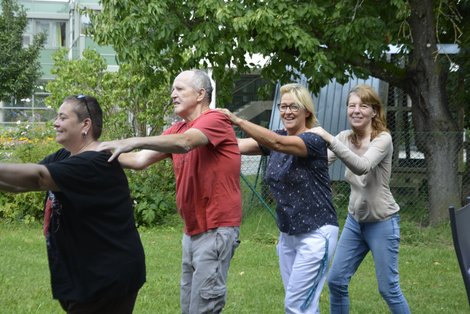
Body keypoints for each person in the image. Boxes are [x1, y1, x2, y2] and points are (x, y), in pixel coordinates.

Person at [97, 69, 242, 314]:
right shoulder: (176, 130)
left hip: (216, 227)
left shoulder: (215, 119)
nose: (172, 94)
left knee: (204, 307)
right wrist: (94, 155)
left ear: (200, 94)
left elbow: (186, 143)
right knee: (189, 306)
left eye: (179, 89)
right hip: (192, 230)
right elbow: (140, 160)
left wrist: (134, 139)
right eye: (173, 89)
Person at [0, 95, 146, 313]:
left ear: (85, 124)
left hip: (108, 276)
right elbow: (21, 183)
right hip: (86, 272)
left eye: (62, 117)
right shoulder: (66, 155)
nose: (55, 123)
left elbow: (38, 177)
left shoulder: (95, 162)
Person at [218, 83, 339, 314]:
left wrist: (239, 121)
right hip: (288, 235)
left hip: (316, 233)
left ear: (307, 112)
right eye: (283, 106)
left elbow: (277, 143)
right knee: (303, 304)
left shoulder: (313, 140)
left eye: (294, 106)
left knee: (296, 306)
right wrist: (204, 135)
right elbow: (237, 145)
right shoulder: (280, 136)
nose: (287, 112)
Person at [310, 84, 410, 313]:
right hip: (355, 223)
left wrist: (327, 137)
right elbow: (320, 163)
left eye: (363, 106)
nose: (356, 110)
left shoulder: (383, 139)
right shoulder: (345, 137)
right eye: (351, 105)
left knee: (389, 289)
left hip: (383, 223)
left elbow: (362, 166)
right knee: (336, 281)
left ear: (374, 112)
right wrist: (289, 148)